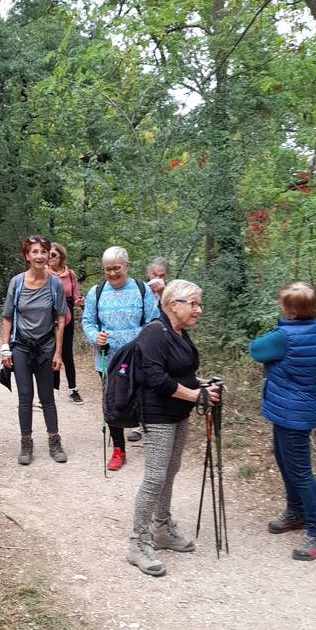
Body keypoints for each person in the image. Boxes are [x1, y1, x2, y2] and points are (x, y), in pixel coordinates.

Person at [126, 280, 219, 576]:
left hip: (179, 413)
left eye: (198, 304)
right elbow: (156, 378)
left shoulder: (179, 333)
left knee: (170, 472)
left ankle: (162, 529)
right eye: (193, 303)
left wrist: (203, 385)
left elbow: (183, 374)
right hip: (158, 415)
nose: (198, 310)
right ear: (171, 304)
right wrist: (195, 395)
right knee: (154, 478)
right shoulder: (154, 332)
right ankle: (137, 543)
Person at [249, 281, 316, 561]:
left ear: (291, 311)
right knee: (286, 463)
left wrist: (280, 325)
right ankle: (296, 512)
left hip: (291, 412)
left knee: (300, 472)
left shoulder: (283, 336)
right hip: (297, 408)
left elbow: (256, 349)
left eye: (284, 305)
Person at [81, 246, 159, 470]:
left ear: (127, 266)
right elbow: (88, 321)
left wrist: (143, 340)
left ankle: (153, 447)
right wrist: (96, 336)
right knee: (112, 402)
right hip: (108, 357)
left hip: (138, 355)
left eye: (117, 268)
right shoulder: (96, 292)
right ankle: (118, 449)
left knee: (144, 399)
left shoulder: (142, 290)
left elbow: (154, 321)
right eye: (107, 270)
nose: (113, 274)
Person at [1, 236, 69, 465]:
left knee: (47, 397)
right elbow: (8, 316)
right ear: (27, 256)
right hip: (20, 345)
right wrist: (5, 349)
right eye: (35, 252)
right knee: (25, 396)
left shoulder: (55, 284)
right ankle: (26, 444)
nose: (40, 256)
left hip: (46, 346)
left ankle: (54, 441)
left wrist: (58, 353)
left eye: (44, 252)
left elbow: (60, 319)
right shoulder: (17, 283)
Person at [127, 256, 171, 444]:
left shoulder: (171, 291)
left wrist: (162, 293)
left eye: (161, 275)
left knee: (158, 380)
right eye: (154, 274)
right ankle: (137, 424)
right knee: (138, 379)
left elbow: (173, 314)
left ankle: (159, 421)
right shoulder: (139, 289)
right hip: (142, 340)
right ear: (148, 272)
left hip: (164, 342)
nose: (157, 277)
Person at [48, 241, 85, 403]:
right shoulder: (44, 272)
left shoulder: (69, 273)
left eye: (53, 255)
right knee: (51, 352)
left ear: (61, 256)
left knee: (67, 353)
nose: (50, 258)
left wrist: (79, 301)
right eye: (48, 255)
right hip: (49, 316)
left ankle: (73, 389)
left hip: (67, 315)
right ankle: (52, 389)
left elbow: (75, 294)